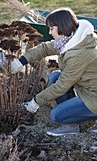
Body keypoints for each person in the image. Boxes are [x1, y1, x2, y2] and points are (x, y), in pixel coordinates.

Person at [11, 7, 97, 136]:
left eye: (52, 28)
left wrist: (36, 101)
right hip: (86, 88)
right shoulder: (70, 40)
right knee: (55, 76)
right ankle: (71, 125)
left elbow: (62, 86)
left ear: (62, 27)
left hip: (94, 96)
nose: (50, 32)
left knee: (56, 115)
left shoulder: (78, 53)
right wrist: (22, 60)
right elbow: (45, 48)